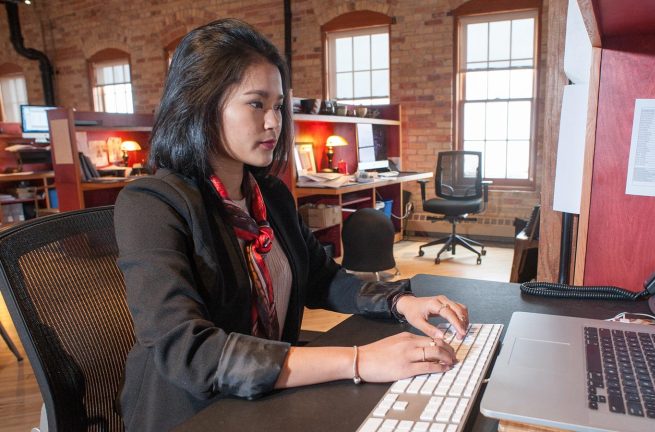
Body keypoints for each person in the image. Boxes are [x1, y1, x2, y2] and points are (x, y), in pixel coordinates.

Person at [114, 18, 469, 431]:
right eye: (256, 103)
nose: (274, 122)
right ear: (203, 105)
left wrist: (400, 303)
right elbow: (189, 352)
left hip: (266, 396)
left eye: (278, 105)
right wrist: (359, 359)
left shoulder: (270, 196)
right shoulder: (151, 205)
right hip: (195, 412)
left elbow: (323, 278)